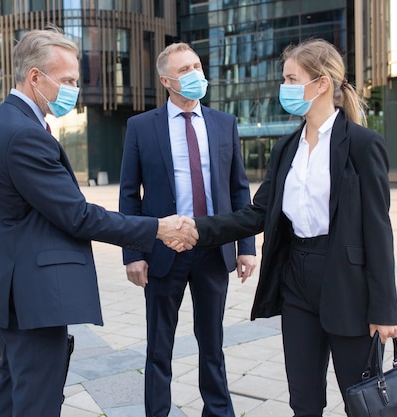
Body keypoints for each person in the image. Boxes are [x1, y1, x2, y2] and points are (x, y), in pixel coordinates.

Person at [0, 28, 197, 417]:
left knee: (12, 397)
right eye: (66, 80)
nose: (73, 90)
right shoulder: (23, 135)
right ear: (35, 77)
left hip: (10, 292)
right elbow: (78, 216)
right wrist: (158, 228)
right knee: (37, 403)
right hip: (31, 299)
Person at [185, 38, 397, 416]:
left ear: (321, 84)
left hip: (347, 283)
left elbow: (378, 229)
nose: (283, 88)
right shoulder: (287, 148)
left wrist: (385, 309)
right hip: (297, 276)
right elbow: (256, 213)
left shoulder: (363, 145)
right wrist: (196, 229)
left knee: (362, 398)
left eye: (290, 78)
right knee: (303, 398)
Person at [119, 42, 257, 417]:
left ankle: (218, 411)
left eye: (197, 65)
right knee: (159, 346)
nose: (195, 74)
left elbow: (238, 189)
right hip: (164, 252)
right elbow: (129, 195)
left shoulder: (224, 123)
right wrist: (133, 254)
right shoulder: (141, 127)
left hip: (213, 250)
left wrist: (246, 246)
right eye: (185, 70)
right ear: (166, 80)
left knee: (212, 342)